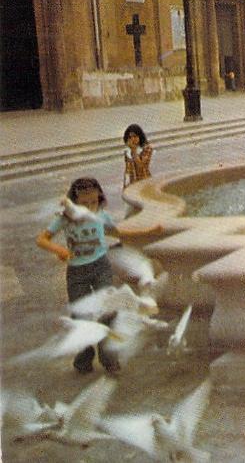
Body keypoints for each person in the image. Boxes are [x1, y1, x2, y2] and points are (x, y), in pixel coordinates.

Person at [36, 177, 160, 374]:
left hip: (101, 266)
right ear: (74, 202)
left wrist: (150, 231)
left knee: (108, 311)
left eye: (93, 202)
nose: (89, 207)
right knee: (80, 316)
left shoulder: (102, 216)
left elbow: (121, 232)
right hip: (77, 272)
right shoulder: (65, 219)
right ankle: (84, 356)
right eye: (84, 204)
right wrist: (59, 250)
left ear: (100, 199)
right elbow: (42, 239)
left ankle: (109, 359)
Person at [121, 124, 154, 190]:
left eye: (135, 136)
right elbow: (127, 169)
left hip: (144, 181)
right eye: (130, 137)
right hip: (132, 182)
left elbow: (141, 165)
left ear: (140, 136)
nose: (133, 139)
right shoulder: (127, 151)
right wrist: (125, 185)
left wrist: (133, 151)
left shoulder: (147, 148)